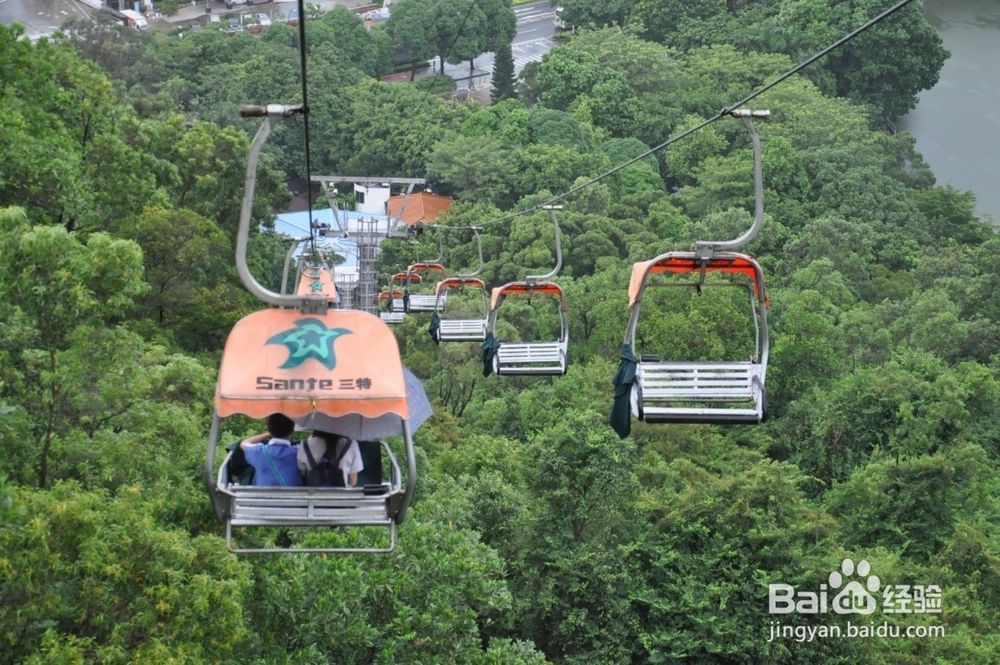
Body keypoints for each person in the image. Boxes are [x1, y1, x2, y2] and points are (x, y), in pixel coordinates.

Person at [239, 413, 302, 487]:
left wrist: (268, 434)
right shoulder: (299, 452)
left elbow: (243, 443)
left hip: (263, 497)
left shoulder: (259, 451)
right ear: (292, 431)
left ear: (269, 429)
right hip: (293, 497)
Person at [298, 430, 364, 487]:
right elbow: (353, 481)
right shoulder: (351, 444)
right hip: (341, 497)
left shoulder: (305, 444)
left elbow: (302, 474)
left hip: (313, 496)